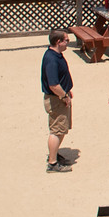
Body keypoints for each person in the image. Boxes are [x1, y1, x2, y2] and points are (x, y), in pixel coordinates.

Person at [41, 31, 75, 172]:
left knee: (61, 129)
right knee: (57, 130)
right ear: (58, 42)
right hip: (56, 100)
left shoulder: (55, 55)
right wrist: (63, 96)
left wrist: (67, 90)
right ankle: (53, 163)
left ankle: (54, 154)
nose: (68, 42)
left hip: (60, 96)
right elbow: (53, 85)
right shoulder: (52, 59)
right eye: (66, 40)